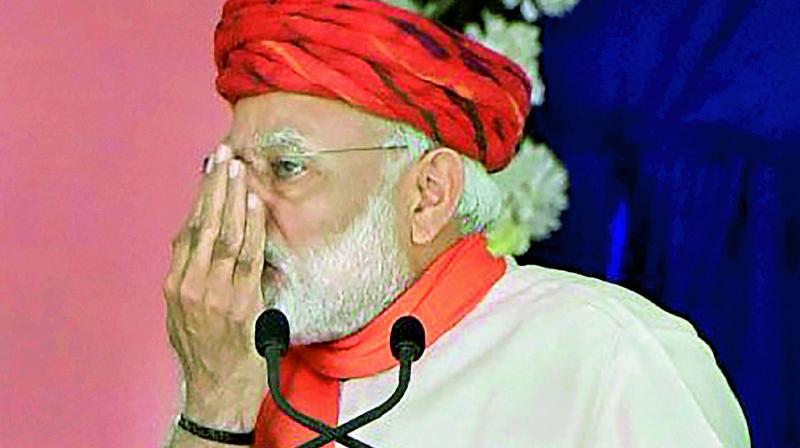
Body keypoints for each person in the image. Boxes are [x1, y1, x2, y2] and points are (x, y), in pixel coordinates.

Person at [162, 0, 750, 447]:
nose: (237, 208)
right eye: (224, 170)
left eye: (286, 167)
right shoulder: (239, 370)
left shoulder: (607, 357)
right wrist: (213, 408)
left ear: (428, 195)